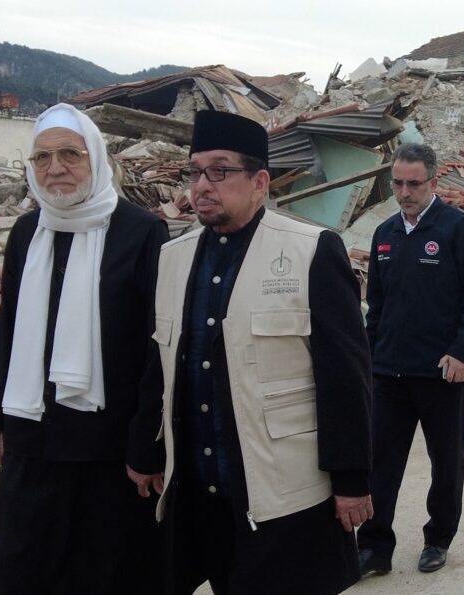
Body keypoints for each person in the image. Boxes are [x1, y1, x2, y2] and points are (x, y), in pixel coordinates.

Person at [141, 110, 373, 595]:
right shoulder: (172, 258)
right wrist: (144, 450)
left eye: (219, 171)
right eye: (194, 172)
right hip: (199, 489)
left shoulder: (311, 250)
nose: (202, 185)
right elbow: (159, 367)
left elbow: (345, 376)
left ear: (260, 182)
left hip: (280, 488)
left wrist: (351, 480)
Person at [0, 103, 169, 595]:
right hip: (33, 434)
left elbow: (157, 347)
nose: (55, 168)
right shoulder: (27, 232)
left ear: (96, 158)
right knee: (20, 568)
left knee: (105, 572)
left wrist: (149, 443)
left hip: (107, 445)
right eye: (42, 157)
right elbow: (10, 324)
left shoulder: (141, 232)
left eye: (69, 154)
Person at [356, 143, 464, 576]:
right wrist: (367, 359)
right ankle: (374, 547)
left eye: (413, 184)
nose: (404, 192)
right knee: (380, 465)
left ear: (433, 181)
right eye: (397, 183)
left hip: (443, 374)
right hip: (389, 374)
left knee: (445, 464)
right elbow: (376, 306)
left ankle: (438, 539)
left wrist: (462, 352)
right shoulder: (385, 234)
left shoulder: (459, 229)